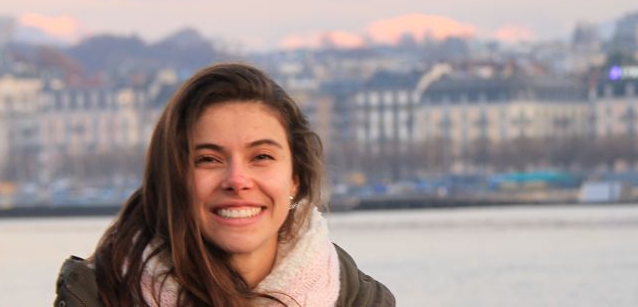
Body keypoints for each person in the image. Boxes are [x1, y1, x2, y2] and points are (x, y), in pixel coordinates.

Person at [55, 63, 394, 306]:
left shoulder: (359, 300)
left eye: (261, 156)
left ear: (296, 177)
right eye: (208, 159)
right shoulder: (97, 296)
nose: (237, 180)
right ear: (173, 179)